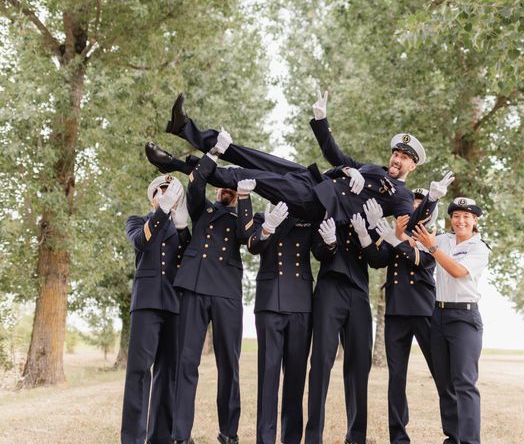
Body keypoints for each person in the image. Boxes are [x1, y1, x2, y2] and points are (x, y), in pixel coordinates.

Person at [145, 92, 431, 227]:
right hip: (314, 180)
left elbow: (414, 222)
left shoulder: (402, 196)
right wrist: (322, 120)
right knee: (247, 154)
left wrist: (432, 200)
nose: (397, 159)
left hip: (316, 204)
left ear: (412, 166)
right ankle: (184, 128)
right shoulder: (372, 169)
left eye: (404, 158)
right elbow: (334, 155)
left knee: (246, 176)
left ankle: (175, 165)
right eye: (396, 153)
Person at [170, 135, 255, 444]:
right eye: (223, 187)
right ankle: (181, 434)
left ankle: (229, 432)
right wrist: (215, 153)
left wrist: (245, 198)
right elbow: (195, 184)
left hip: (226, 294)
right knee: (186, 362)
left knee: (229, 364)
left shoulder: (244, 217)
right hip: (192, 287)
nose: (225, 192)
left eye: (230, 190)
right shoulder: (202, 209)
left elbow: (249, 238)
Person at [412, 197, 491, 444]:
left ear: (475, 221)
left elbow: (457, 271)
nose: (461, 221)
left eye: (467, 216)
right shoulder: (443, 239)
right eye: (456, 216)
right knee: (444, 383)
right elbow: (413, 237)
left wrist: (433, 249)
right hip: (439, 315)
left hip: (464, 318)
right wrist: (427, 202)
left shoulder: (480, 248)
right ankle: (453, 438)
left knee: (464, 383)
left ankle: (469, 441)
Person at [362, 190, 438, 444]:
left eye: (419, 207)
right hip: (396, 311)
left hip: (423, 310)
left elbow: (422, 261)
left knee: (441, 372)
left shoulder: (433, 238)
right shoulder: (395, 233)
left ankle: (457, 432)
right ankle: (398, 437)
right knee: (396, 377)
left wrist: (397, 238)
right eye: (411, 206)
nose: (413, 212)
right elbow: (377, 261)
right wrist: (373, 232)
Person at [122, 176, 191, 444]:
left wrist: (183, 227)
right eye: (160, 191)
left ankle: (161, 437)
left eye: (170, 193)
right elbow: (142, 242)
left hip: (175, 304)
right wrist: (162, 212)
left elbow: (189, 257)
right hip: (146, 303)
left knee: (168, 372)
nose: (165, 195)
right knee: (139, 371)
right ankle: (132, 439)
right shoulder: (137, 221)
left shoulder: (181, 227)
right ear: (153, 197)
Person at [303, 211, 381, 444]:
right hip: (329, 289)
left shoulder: (369, 214)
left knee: (360, 364)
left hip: (358, 292)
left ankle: (356, 437)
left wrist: (368, 231)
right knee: (320, 363)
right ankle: (313, 437)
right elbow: (317, 252)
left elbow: (378, 259)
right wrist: (329, 243)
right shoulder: (324, 213)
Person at [246, 202, 316, 444]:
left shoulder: (309, 218)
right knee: (268, 377)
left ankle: (291, 439)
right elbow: (253, 246)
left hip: (301, 303)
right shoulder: (261, 217)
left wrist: (330, 241)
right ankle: (265, 440)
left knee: (295, 379)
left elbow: (321, 251)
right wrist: (268, 226)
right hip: (270, 302)